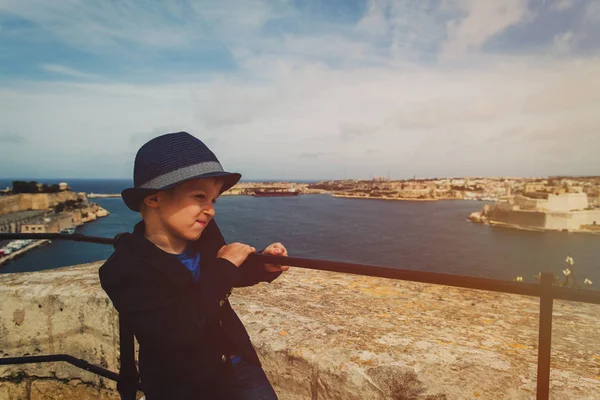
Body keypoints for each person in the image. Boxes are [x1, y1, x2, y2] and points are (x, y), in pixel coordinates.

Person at [99, 131, 289, 400]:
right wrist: (225, 265)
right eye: (200, 197)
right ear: (154, 198)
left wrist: (263, 267)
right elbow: (175, 329)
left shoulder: (204, 235)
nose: (210, 210)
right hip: (186, 384)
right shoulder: (125, 269)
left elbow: (223, 276)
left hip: (238, 364)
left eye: (213, 200)